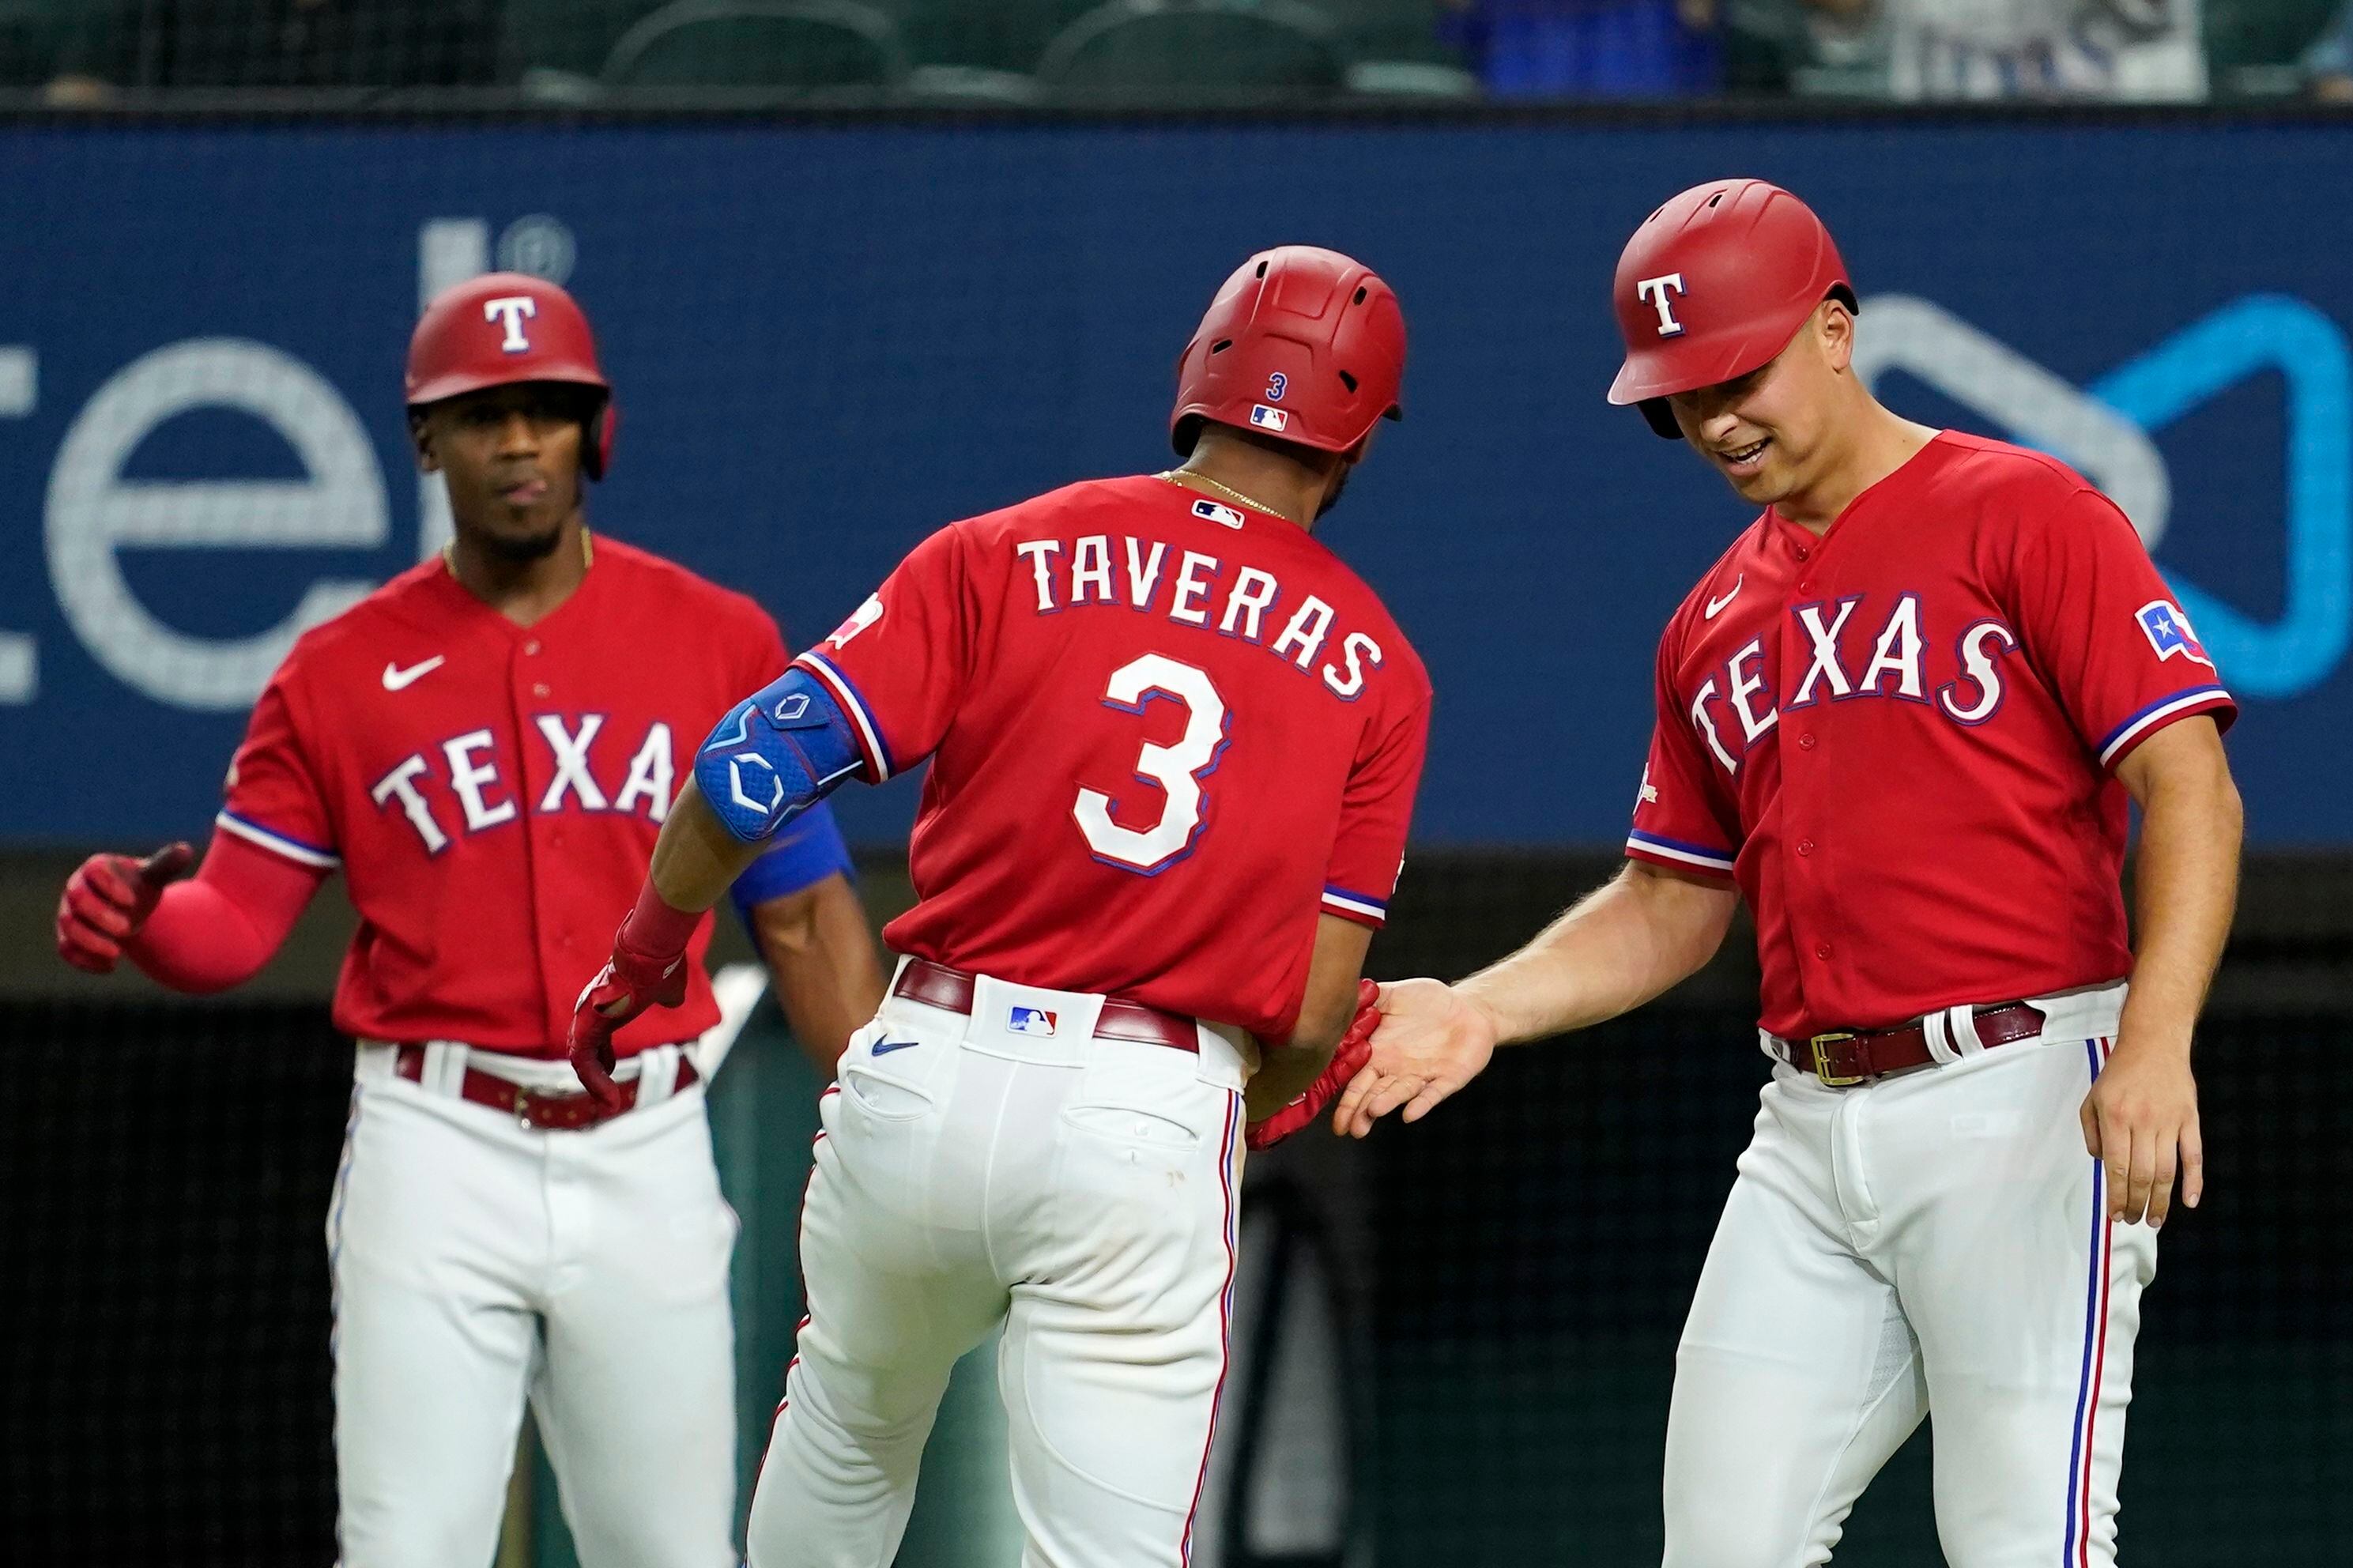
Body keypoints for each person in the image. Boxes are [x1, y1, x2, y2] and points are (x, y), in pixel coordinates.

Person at [1340, 180, 2243, 1566]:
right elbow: (1668, 902)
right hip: (1806, 1130)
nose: (1711, 422)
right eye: (1678, 398)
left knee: (2024, 1545)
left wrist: (2159, 1042)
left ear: (1834, 329)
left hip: (2021, 1096)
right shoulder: (1708, 617)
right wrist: (1482, 1006)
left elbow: (2189, 785)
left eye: (1733, 374)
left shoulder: (2023, 510)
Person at [567, 245, 1430, 1568]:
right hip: (1149, 1100)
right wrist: (1248, 1105)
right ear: (1360, 437)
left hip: (926, 1067)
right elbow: (1315, 1011)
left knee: (848, 1434)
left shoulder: (1005, 547)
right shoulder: (1377, 663)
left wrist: (641, 955)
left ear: (1194, 383)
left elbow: (746, 772)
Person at [54, 272, 885, 1568]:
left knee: (668, 1556)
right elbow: (233, 924)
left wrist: (889, 1123)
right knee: (405, 1552)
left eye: (546, 411)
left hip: (647, 1141)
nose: (516, 443)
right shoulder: (334, 672)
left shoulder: (716, 639)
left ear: (592, 432)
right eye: (483, 414)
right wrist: (145, 922)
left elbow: (808, 914)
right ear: (426, 439)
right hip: (434, 1146)